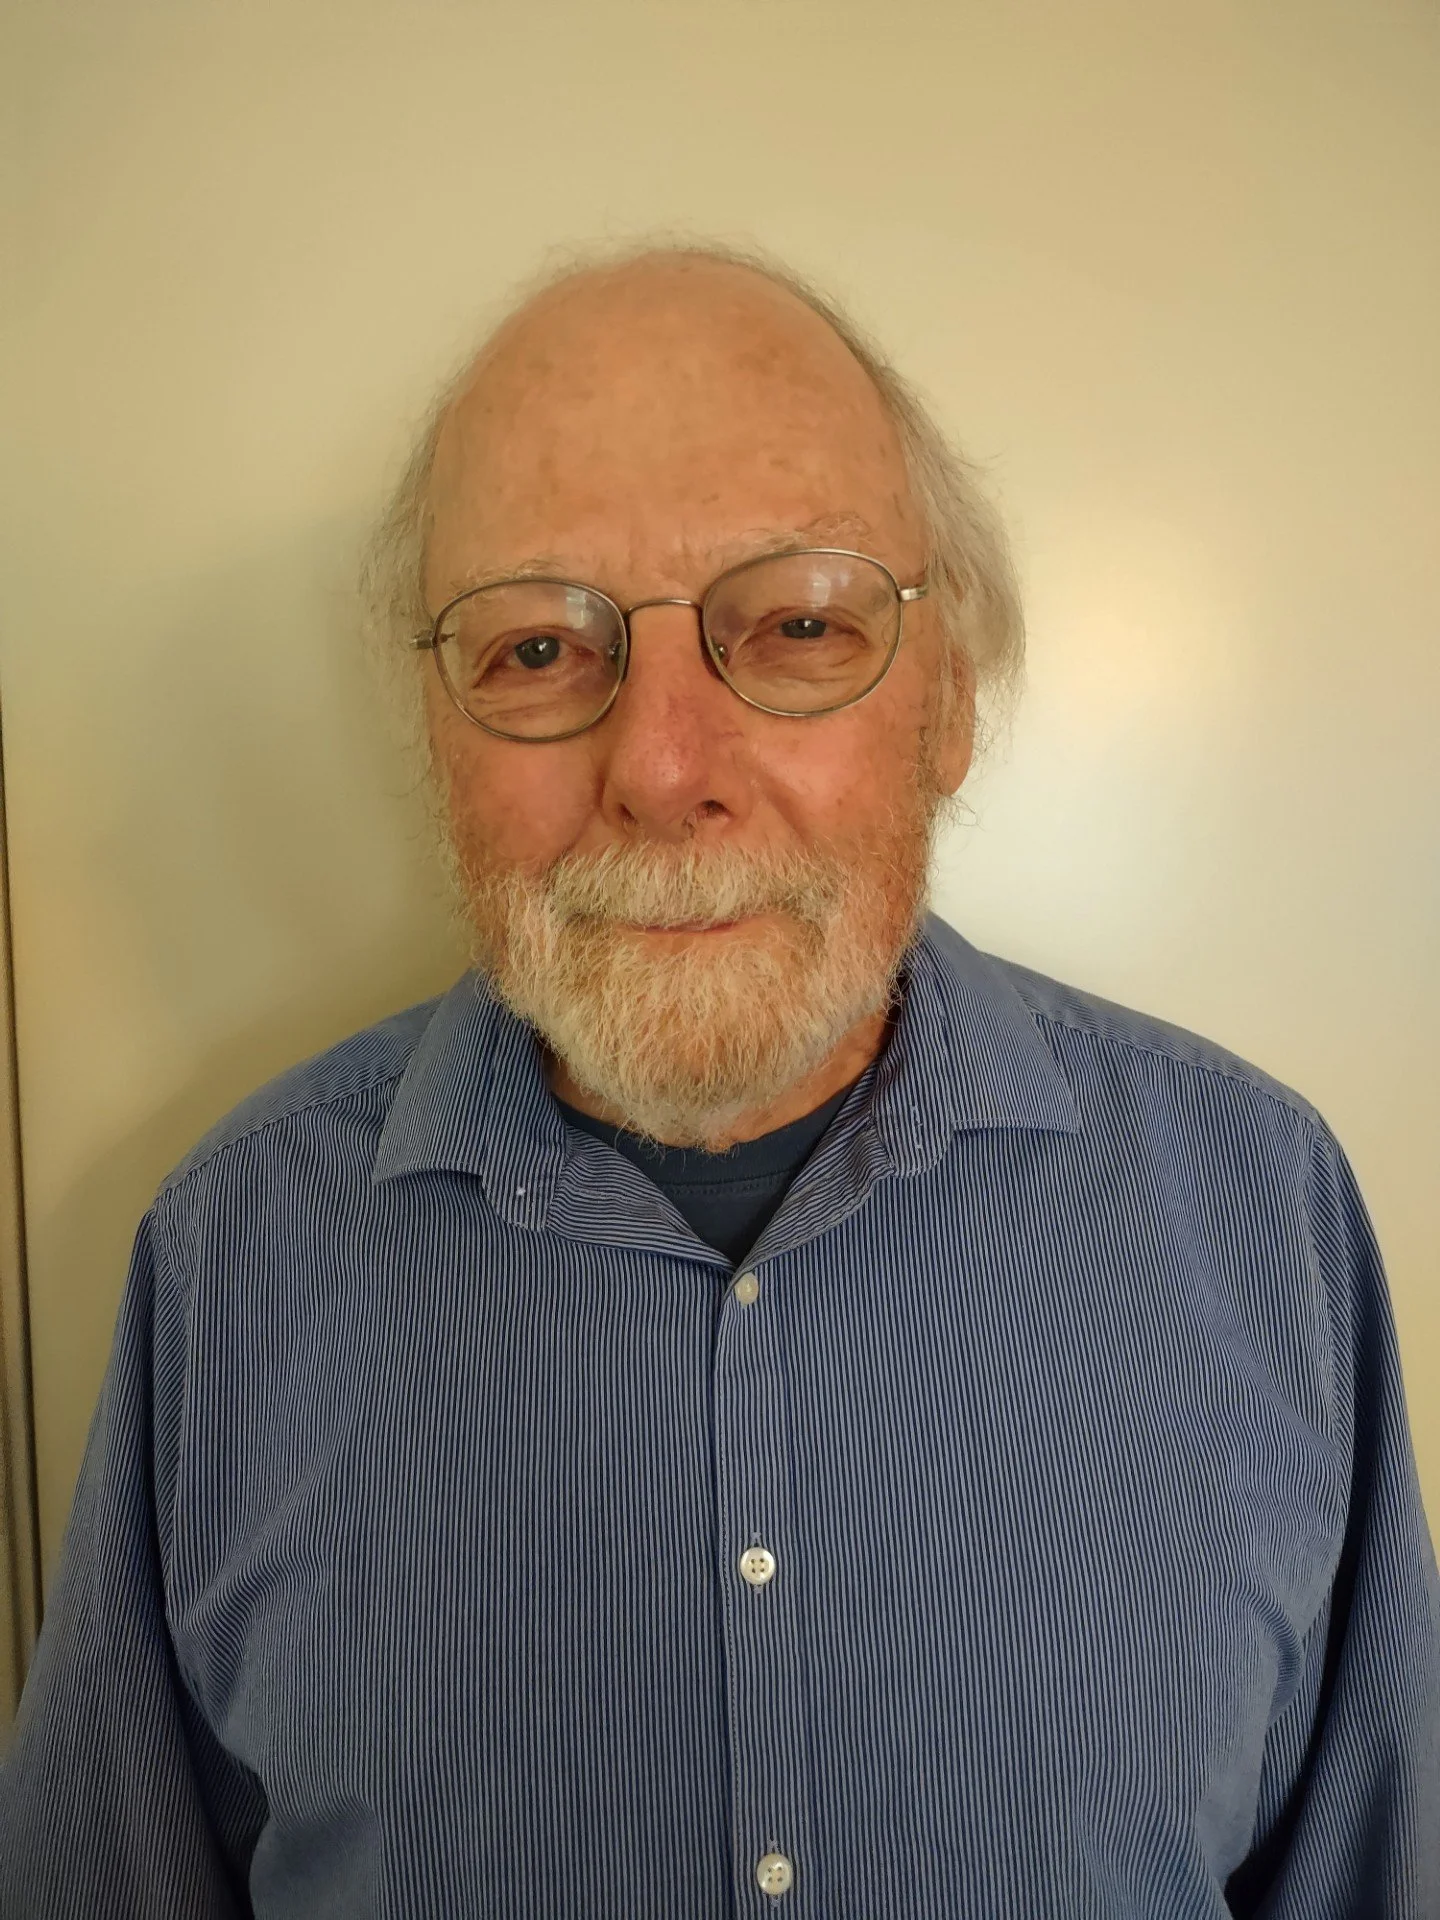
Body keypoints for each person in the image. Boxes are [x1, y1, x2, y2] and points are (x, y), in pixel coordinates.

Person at [2, 241, 1436, 1919]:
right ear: (436, 730)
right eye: (538, 650)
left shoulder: (1262, 1213)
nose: (665, 768)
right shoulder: (231, 1257)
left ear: (951, 703)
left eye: (802, 624)